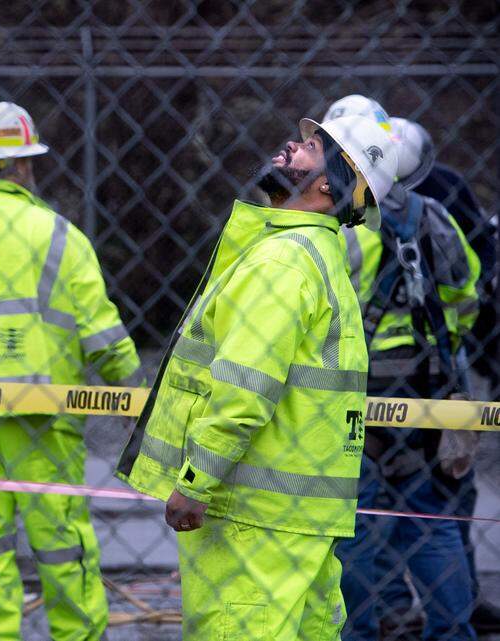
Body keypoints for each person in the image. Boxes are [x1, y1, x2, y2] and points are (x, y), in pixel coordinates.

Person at [116, 114, 397, 639]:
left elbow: (245, 389)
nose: (292, 145)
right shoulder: (316, 257)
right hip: (296, 517)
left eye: (311, 146)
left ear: (324, 184)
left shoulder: (282, 263)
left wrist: (197, 480)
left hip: (252, 516)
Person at [0, 101, 141, 641]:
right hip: (43, 416)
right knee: (62, 549)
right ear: (22, 166)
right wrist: (133, 396)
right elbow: (103, 336)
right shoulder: (58, 236)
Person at [336, 116, 480, 641]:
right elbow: (466, 294)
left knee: (354, 528)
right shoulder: (434, 217)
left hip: (360, 387)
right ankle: (452, 631)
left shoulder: (345, 225)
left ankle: (358, 631)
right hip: (427, 389)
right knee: (431, 517)